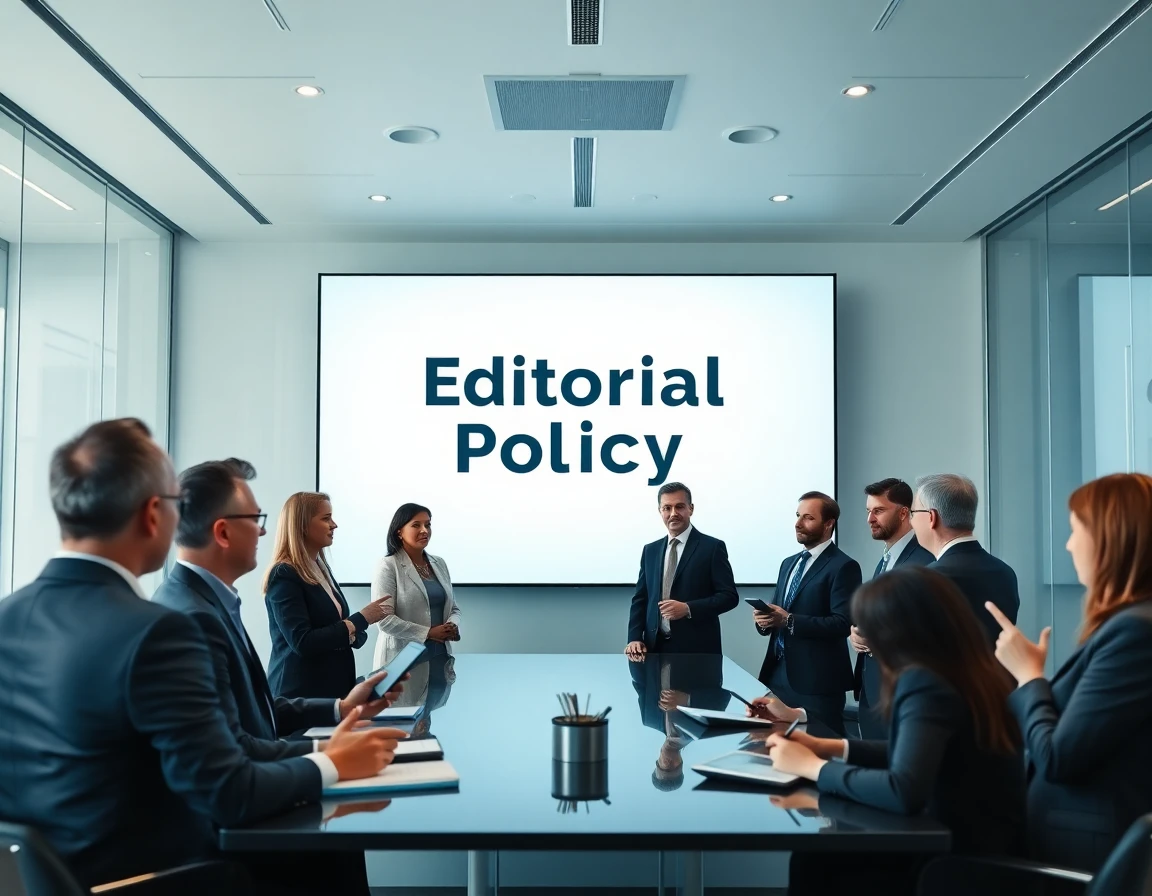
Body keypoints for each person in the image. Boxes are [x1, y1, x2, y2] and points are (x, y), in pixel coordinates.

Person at [0, 419, 403, 893]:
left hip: (57, 880)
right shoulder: (155, 630)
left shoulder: (9, 616)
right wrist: (333, 764)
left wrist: (331, 736)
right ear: (154, 514)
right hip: (167, 876)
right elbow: (227, 792)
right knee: (332, 849)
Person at [758, 566, 1026, 894]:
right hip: (983, 838)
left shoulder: (925, 682)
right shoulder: (970, 670)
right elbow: (916, 753)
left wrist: (811, 767)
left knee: (815, 858)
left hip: (955, 856)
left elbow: (904, 789)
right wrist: (827, 747)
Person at [154, 459, 403, 755]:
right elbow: (223, 756)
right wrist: (328, 758)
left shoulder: (208, 601)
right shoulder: (192, 617)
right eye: (255, 520)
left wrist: (342, 707)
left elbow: (254, 708)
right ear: (222, 532)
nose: (262, 532)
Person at [988, 472, 1152, 873]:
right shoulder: (1126, 624)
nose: (1068, 545)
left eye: (1075, 530)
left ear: (1110, 539)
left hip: (1081, 855)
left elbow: (1059, 758)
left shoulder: (1133, 631)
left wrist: (1029, 676)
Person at [754, 491, 860, 735]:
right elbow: (778, 610)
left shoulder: (844, 566)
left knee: (819, 755)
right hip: (777, 674)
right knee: (776, 749)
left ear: (829, 523)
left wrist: (788, 620)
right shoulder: (788, 563)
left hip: (818, 683)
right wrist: (764, 620)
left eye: (808, 518)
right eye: (797, 515)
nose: (798, 523)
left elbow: (843, 623)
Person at [265, 492, 384, 699]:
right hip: (299, 697)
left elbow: (333, 625)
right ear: (302, 525)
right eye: (326, 518)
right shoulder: (284, 574)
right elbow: (302, 642)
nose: (334, 524)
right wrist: (361, 619)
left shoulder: (320, 567)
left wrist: (354, 631)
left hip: (331, 692)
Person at [853, 478, 934, 738]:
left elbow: (924, 629)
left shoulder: (924, 560)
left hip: (900, 691)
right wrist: (857, 634)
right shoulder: (887, 557)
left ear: (902, 513)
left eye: (878, 511)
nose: (870, 518)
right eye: (868, 511)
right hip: (873, 689)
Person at [625, 482, 739, 658]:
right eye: (667, 508)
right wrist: (634, 638)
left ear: (691, 509)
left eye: (679, 507)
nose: (673, 514)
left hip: (697, 651)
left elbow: (729, 597)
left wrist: (688, 608)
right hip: (653, 649)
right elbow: (641, 598)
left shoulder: (712, 548)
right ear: (660, 511)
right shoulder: (651, 550)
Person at [910, 473, 1020, 642]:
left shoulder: (927, 580)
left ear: (932, 517)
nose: (912, 522)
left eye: (913, 512)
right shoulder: (1006, 573)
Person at [372, 503, 461, 668]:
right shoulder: (388, 565)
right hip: (402, 660)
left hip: (440, 655)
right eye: (416, 525)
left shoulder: (439, 563)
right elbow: (384, 621)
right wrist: (428, 633)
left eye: (428, 525)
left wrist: (452, 626)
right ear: (399, 531)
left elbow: (453, 608)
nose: (424, 530)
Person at [629, 653, 729, 791]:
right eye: (672, 769)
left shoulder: (649, 719)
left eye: (662, 768)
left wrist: (634, 657)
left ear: (657, 761)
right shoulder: (700, 730)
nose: (667, 764)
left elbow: (640, 684)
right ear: (681, 763)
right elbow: (723, 698)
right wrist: (687, 699)